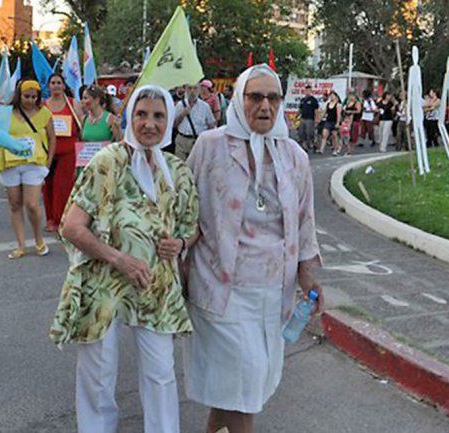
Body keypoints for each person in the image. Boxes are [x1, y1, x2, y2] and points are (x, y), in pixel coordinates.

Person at [50, 85, 199, 433]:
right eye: (142, 114)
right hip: (103, 281)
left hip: (155, 284)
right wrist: (119, 259)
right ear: (129, 117)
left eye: (159, 116)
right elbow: (72, 227)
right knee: (98, 373)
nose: (149, 124)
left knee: (161, 372)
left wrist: (179, 242)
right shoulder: (109, 162)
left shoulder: (176, 170)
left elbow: (192, 227)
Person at [183, 64, 322, 433]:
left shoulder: (294, 155)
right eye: (255, 96)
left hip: (272, 289)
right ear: (238, 99)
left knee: (238, 385)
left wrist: (309, 276)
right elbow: (185, 211)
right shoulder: (210, 147)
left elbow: (305, 220)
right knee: (243, 382)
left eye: (272, 97)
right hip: (219, 287)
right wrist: (176, 262)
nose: (265, 105)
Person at [0, 79, 55, 259]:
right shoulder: (7, 113)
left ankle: (39, 240)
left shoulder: (44, 113)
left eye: (34, 97)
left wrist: (48, 164)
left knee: (33, 204)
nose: (30, 100)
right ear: (19, 96)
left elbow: (52, 140)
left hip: (34, 164)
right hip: (10, 162)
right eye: (26, 96)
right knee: (15, 204)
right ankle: (21, 245)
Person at [43, 73, 82, 233]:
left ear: (64, 86)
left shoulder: (74, 104)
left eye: (59, 83)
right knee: (47, 186)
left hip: (68, 151)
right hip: (48, 152)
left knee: (63, 186)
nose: (56, 86)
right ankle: (50, 218)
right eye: (53, 83)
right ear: (49, 86)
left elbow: (81, 127)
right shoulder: (43, 105)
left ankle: (61, 219)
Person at [173, 83, 216, 161]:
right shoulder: (180, 105)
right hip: (182, 140)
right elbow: (174, 125)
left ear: (199, 90)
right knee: (180, 168)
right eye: (189, 88)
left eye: (195, 88)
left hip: (198, 141)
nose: (192, 91)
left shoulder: (205, 106)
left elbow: (211, 125)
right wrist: (182, 115)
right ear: (185, 90)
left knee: (195, 168)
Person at [297, 85, 319, 151]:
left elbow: (316, 110)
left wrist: (316, 119)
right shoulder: (303, 100)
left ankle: (314, 143)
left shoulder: (313, 100)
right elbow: (300, 109)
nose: (307, 92)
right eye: (306, 90)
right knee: (301, 133)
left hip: (310, 118)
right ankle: (304, 146)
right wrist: (296, 116)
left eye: (309, 90)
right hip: (303, 118)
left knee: (310, 133)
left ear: (311, 91)